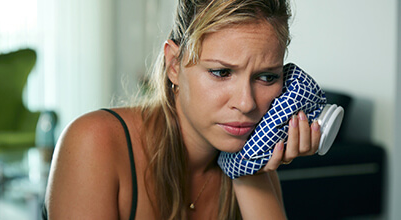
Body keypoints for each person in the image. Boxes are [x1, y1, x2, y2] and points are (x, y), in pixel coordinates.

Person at [43, 0, 321, 219]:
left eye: (267, 77)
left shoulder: (252, 161)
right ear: (174, 65)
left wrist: (249, 172)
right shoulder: (94, 142)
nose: (247, 103)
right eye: (222, 72)